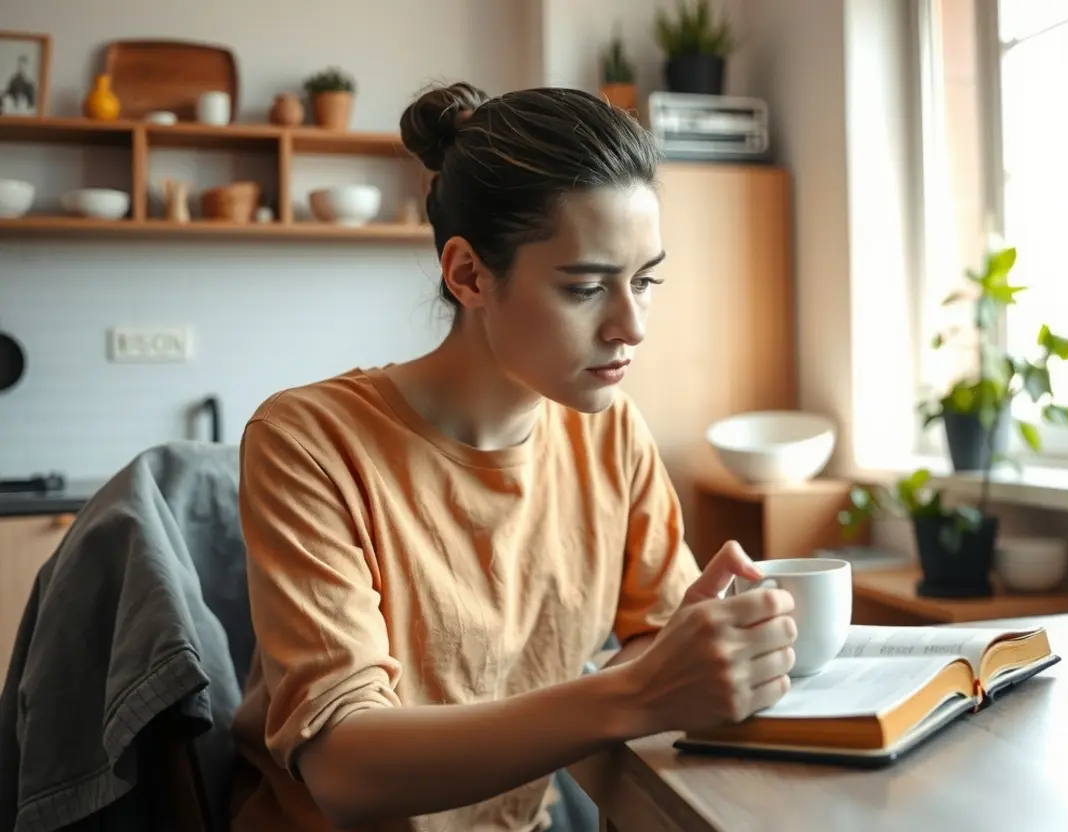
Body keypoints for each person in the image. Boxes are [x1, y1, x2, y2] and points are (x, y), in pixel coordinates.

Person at [227, 81, 798, 832]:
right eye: (588, 287)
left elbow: (654, 640)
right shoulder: (309, 441)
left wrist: (691, 657)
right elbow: (343, 766)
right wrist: (639, 691)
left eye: (646, 280)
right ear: (467, 274)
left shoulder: (611, 432)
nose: (631, 325)